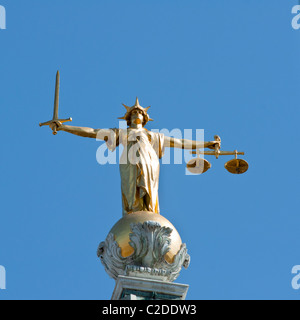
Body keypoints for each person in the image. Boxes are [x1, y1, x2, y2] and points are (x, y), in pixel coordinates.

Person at [49, 98, 220, 216]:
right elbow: (92, 132)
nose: (136, 113)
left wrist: (206, 144)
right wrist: (64, 128)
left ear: (145, 118)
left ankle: (148, 212)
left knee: (149, 191)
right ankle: (134, 213)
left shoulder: (154, 136)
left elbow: (180, 142)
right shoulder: (122, 133)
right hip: (129, 163)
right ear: (129, 118)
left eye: (139, 112)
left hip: (150, 163)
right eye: (133, 112)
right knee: (131, 192)